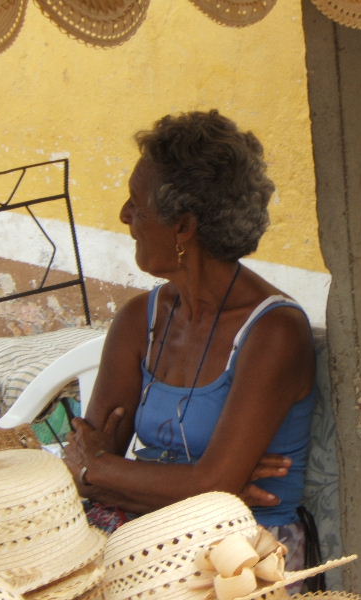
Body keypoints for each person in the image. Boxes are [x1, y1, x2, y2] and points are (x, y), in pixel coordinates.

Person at [63, 110, 316, 571]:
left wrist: (100, 469)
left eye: (136, 202)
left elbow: (92, 464)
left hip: (243, 556)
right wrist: (199, 486)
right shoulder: (140, 320)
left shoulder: (274, 333)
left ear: (184, 227)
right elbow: (84, 462)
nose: (125, 215)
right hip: (140, 533)